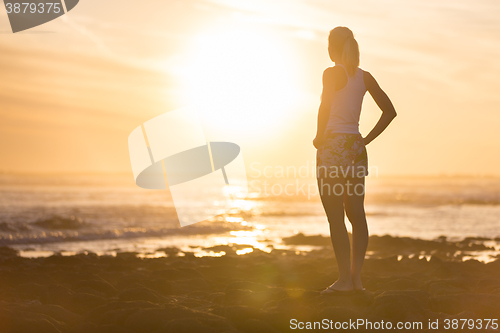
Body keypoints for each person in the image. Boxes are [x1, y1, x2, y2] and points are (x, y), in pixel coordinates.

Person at [313, 26, 397, 294]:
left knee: (336, 217)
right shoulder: (365, 77)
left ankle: (344, 281)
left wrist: (317, 137)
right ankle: (356, 279)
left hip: (332, 148)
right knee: (356, 215)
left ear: (333, 47)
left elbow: (325, 106)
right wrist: (366, 140)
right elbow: (389, 111)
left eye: (328, 43)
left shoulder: (331, 73)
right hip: (355, 149)